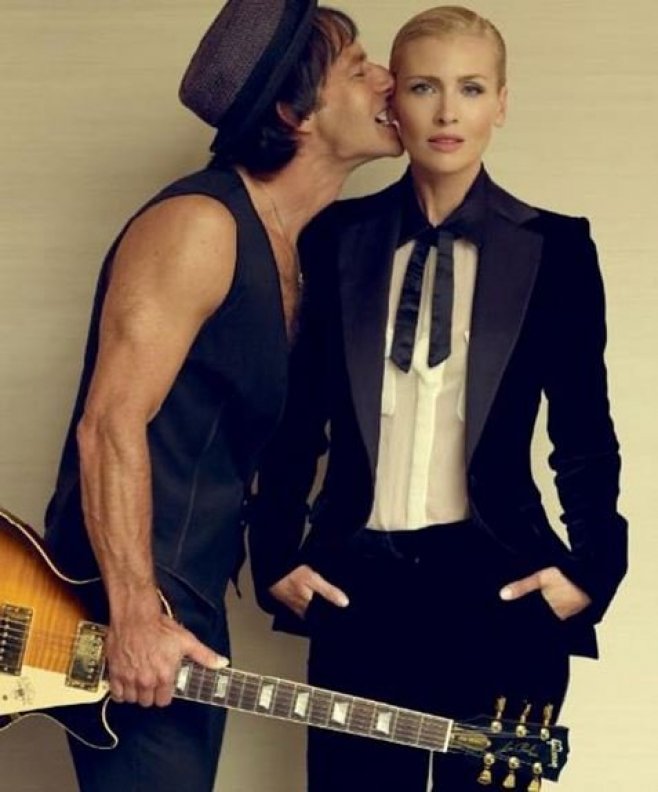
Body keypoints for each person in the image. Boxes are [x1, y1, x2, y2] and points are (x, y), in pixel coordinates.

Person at [249, 5, 628, 791]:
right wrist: (277, 551)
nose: (448, 112)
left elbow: (585, 436)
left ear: (502, 103)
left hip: (499, 587)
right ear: (395, 103)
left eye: (471, 88)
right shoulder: (334, 238)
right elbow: (296, 419)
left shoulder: (556, 249)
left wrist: (592, 570)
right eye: (424, 87)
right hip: (360, 586)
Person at [43, 1, 401, 790]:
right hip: (121, 605)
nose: (389, 80)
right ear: (293, 113)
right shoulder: (200, 225)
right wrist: (133, 614)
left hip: (189, 597)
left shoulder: (292, 248)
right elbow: (109, 423)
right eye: (358, 68)